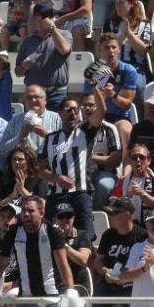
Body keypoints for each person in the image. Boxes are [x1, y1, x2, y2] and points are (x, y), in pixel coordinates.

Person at [0, 196, 75, 307]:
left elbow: (63, 264)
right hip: (26, 298)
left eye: (31, 211)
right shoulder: (13, 232)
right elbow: (1, 264)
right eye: (23, 211)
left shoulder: (53, 231)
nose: (26, 214)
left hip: (53, 297)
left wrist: (70, 289)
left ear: (41, 213)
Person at [42, 94, 111, 240]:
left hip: (80, 193)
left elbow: (102, 111)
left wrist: (94, 86)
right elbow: (40, 170)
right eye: (68, 109)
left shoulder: (86, 132)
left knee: (86, 237)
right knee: (51, 237)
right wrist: (56, 178)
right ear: (60, 113)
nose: (73, 112)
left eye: (75, 109)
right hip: (56, 194)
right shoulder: (50, 138)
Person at [92, 196, 147, 307]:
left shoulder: (142, 235)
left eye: (114, 212)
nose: (110, 216)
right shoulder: (108, 234)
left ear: (128, 214)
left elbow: (145, 265)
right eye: (109, 212)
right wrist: (105, 272)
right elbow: (98, 261)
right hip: (109, 283)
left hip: (133, 285)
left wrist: (125, 277)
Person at [14, 4, 73, 109]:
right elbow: (17, 72)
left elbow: (64, 50)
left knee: (57, 124)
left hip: (57, 93)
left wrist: (52, 29)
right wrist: (23, 67)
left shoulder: (64, 34)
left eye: (50, 15)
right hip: (34, 96)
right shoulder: (28, 41)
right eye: (45, 16)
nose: (49, 19)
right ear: (36, 18)